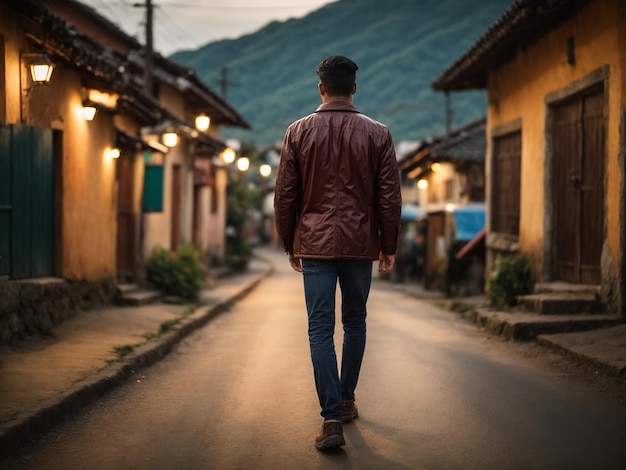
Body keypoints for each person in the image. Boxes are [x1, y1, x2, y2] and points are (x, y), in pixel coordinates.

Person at [274, 55, 402, 451]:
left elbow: (284, 196)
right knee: (356, 322)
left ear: (321, 88)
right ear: (355, 88)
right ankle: (346, 400)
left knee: (319, 328)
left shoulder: (298, 132)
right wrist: (388, 245)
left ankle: (330, 419)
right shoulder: (378, 134)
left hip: (313, 243)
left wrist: (288, 241)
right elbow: (389, 197)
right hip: (360, 243)